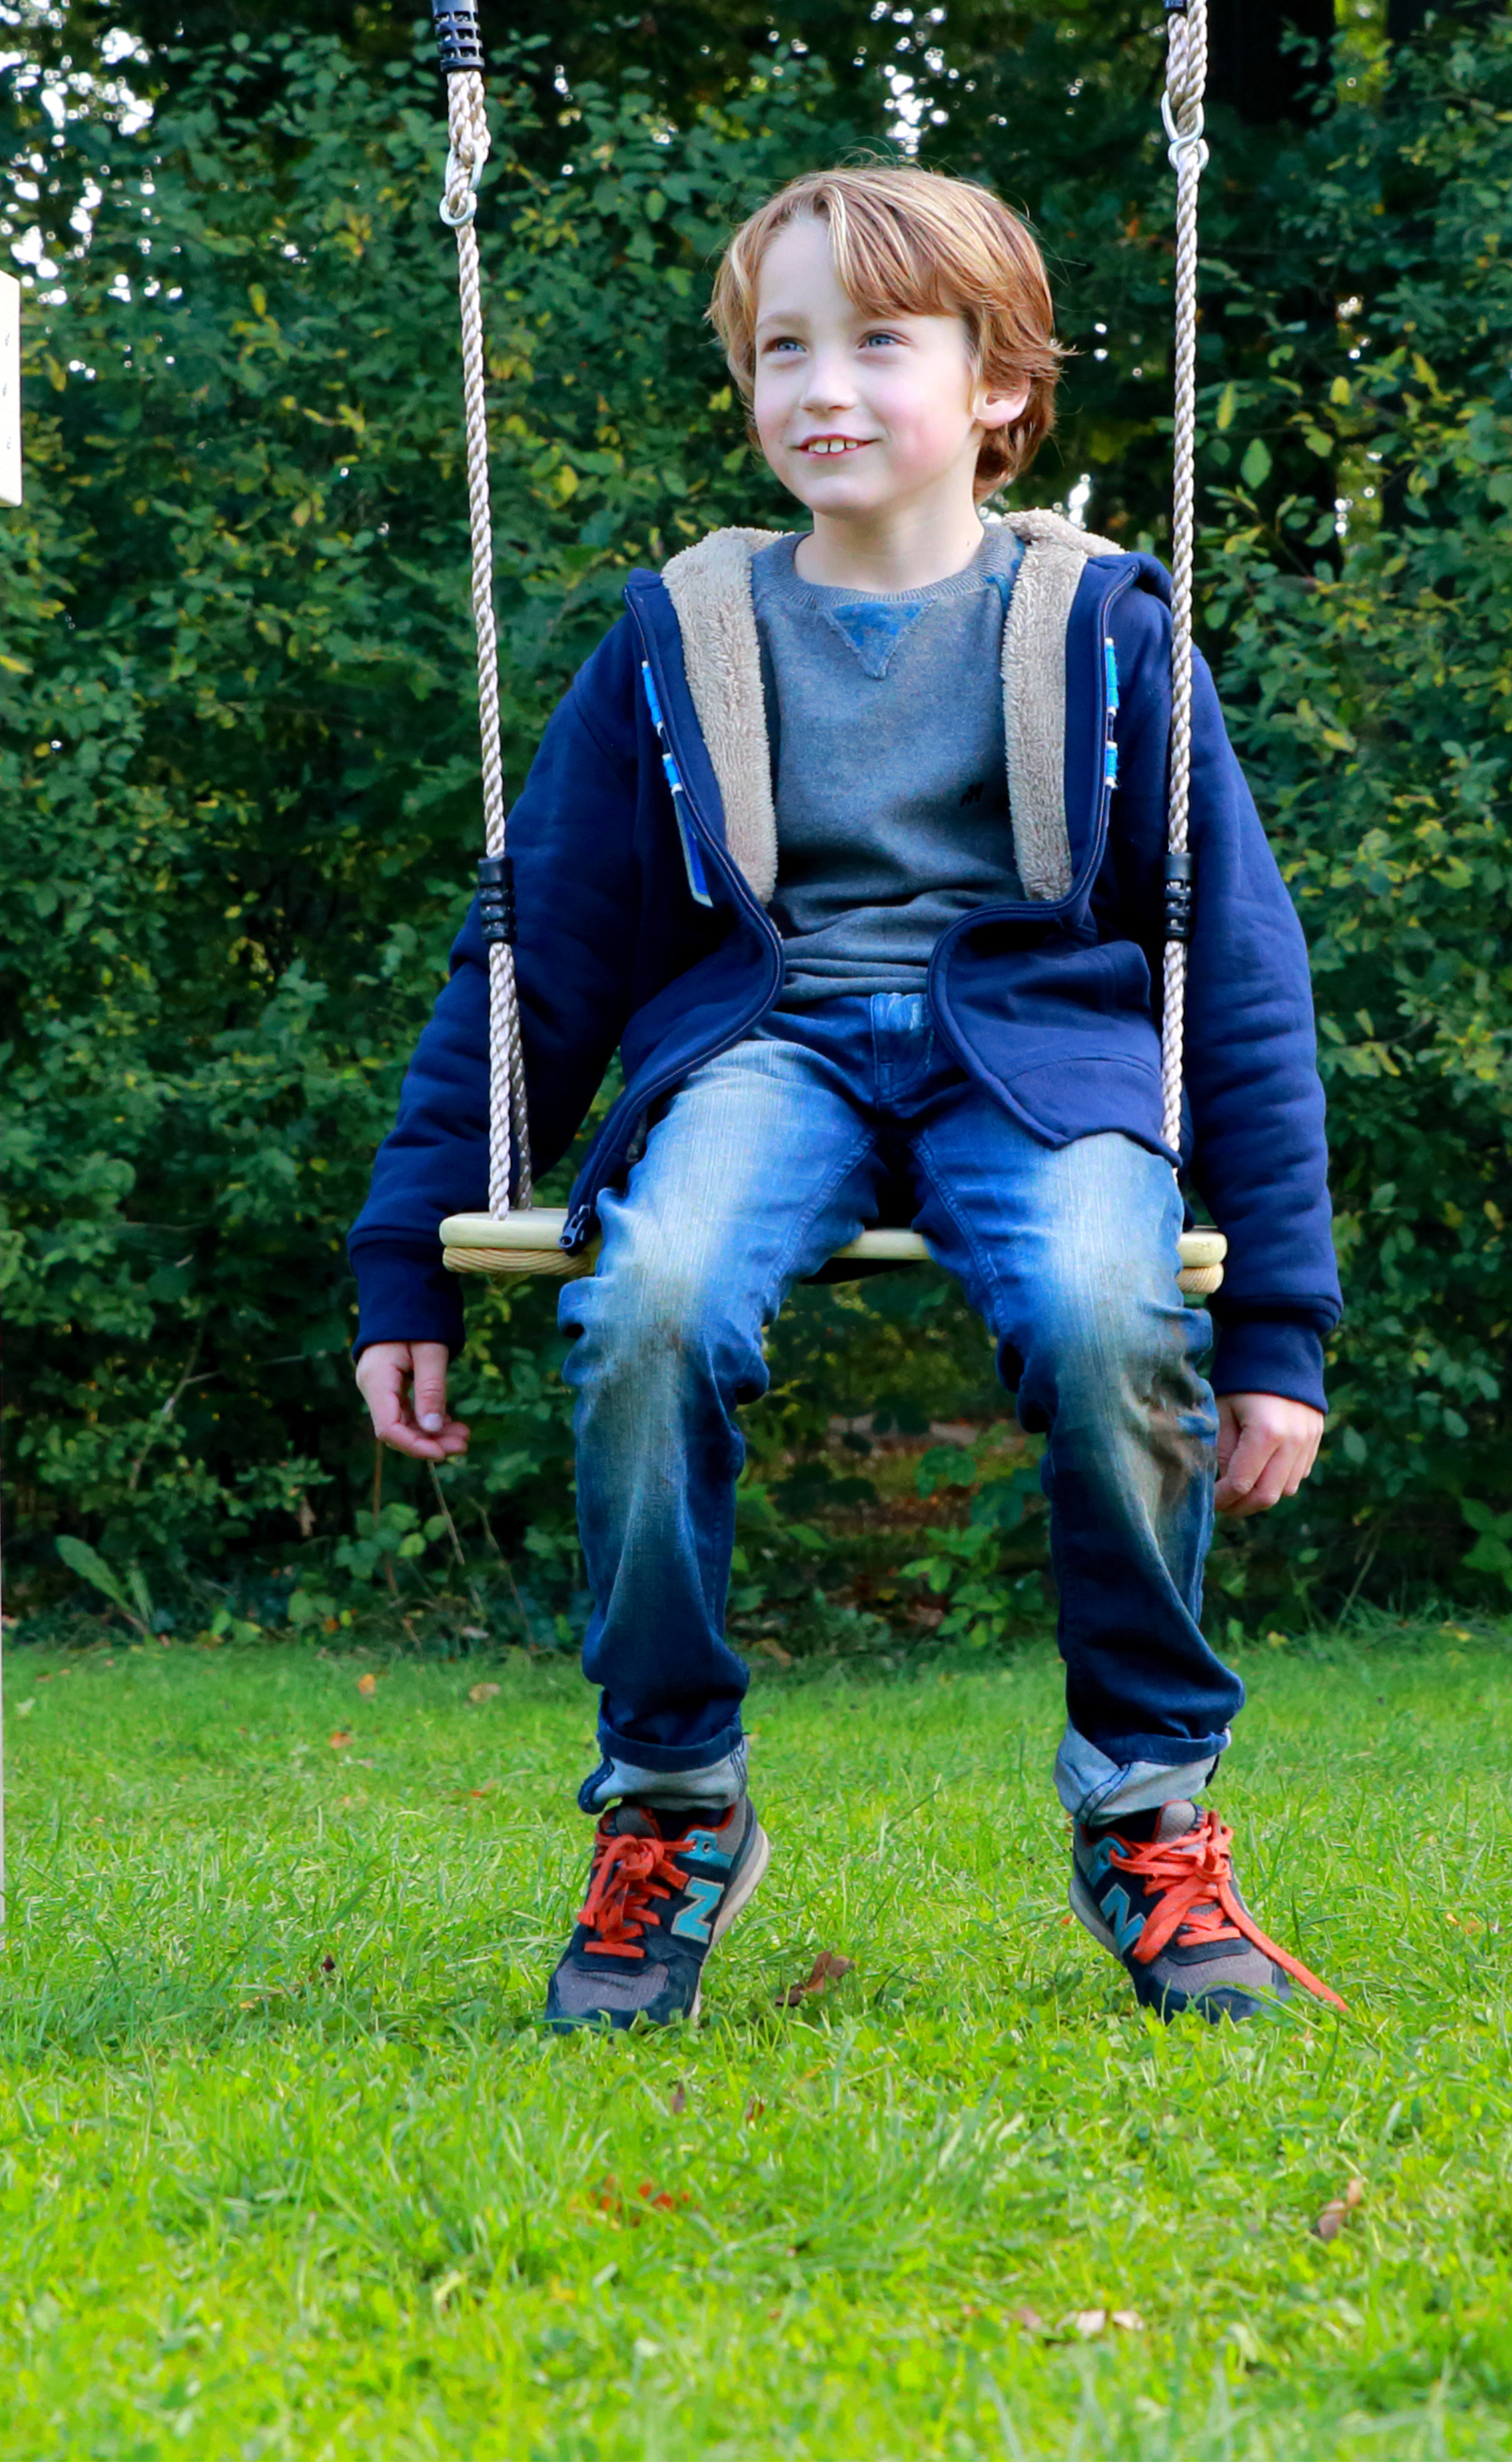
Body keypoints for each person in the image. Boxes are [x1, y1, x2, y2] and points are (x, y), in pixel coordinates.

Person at [347, 166, 1345, 2029]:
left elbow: (1243, 965)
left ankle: (1147, 1815)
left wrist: (1279, 1315)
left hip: (1034, 1051)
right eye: (781, 345)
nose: (822, 382)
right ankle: (668, 1801)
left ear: (994, 386)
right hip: (766, 1046)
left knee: (1099, 1299)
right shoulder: (681, 640)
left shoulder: (1105, 632)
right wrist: (410, 1250)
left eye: (880, 340)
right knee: (646, 1299)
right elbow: (536, 954)